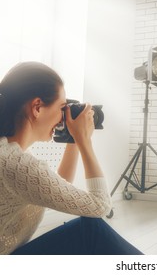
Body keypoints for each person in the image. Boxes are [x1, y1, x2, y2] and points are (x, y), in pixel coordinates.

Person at [0, 61, 143, 255]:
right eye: (61, 108)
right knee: (90, 231)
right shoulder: (15, 164)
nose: (63, 118)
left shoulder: (9, 154)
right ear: (37, 107)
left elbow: (58, 186)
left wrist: (74, 140)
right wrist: (84, 141)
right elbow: (100, 206)